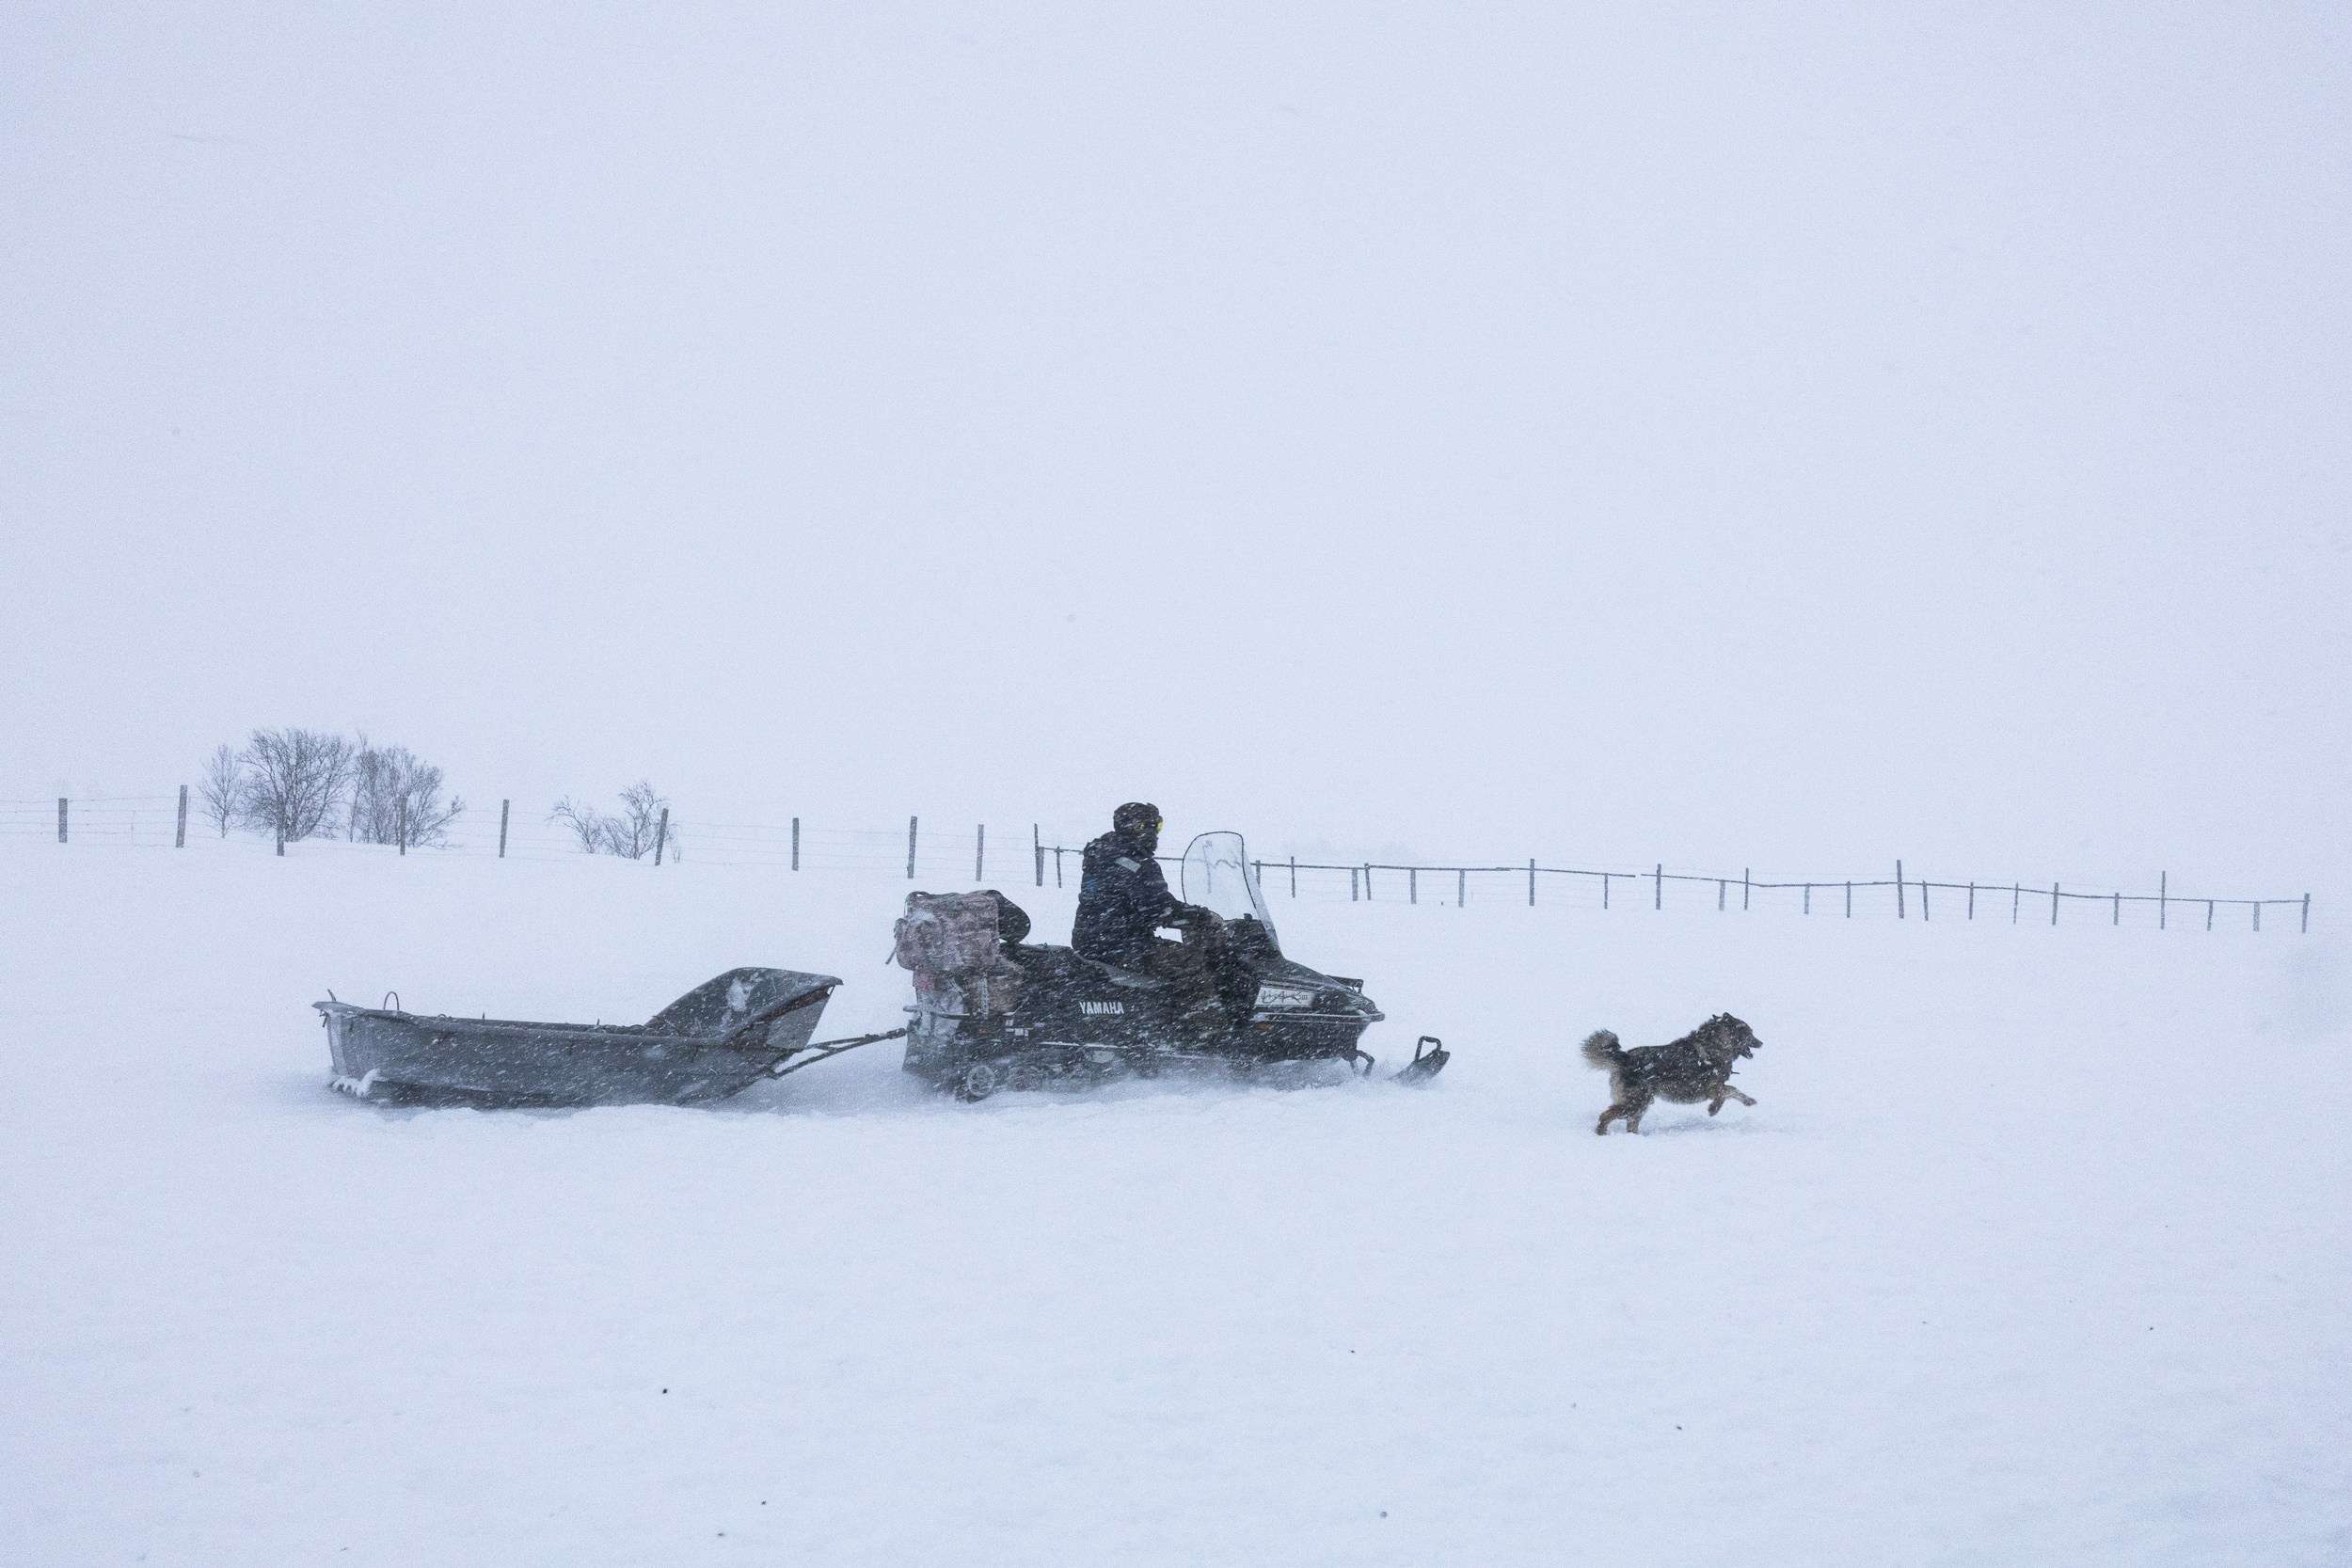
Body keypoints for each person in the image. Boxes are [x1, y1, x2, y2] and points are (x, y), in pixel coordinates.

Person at [1073, 802, 1230, 1037]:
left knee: (1173, 958)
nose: (1157, 834)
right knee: (1192, 962)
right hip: (1123, 945)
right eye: (1156, 826)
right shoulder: (1138, 864)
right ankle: (1210, 1033)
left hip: (1093, 941)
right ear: (1140, 828)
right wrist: (1202, 916)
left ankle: (1171, 1020)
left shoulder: (1103, 855)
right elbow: (1159, 908)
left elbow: (1137, 905)